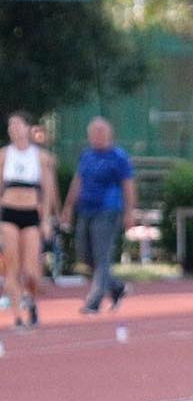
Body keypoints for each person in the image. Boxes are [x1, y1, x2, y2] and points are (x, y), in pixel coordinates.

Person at [59, 117, 137, 314]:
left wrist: (129, 212)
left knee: (102, 255)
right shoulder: (86, 156)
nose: (97, 137)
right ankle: (116, 287)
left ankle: (94, 300)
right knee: (84, 254)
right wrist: (68, 206)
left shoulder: (119, 157)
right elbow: (78, 181)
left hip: (108, 211)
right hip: (85, 210)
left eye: (101, 132)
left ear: (109, 134)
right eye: (94, 133)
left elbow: (128, 185)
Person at [1, 111, 59, 329]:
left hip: (31, 213)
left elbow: (48, 190)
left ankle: (31, 301)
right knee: (12, 266)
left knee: (31, 270)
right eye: (11, 125)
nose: (14, 129)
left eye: (18, 125)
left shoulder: (41, 157)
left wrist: (46, 219)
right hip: (9, 212)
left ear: (28, 128)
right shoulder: (4, 155)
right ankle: (17, 315)